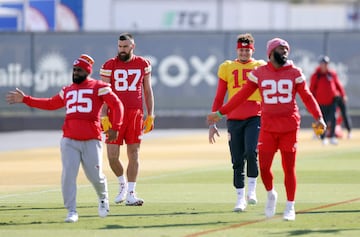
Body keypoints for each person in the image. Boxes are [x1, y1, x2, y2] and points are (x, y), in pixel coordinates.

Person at [207, 38, 326, 221]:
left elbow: (307, 97)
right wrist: (220, 114)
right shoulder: (259, 73)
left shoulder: (295, 72)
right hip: (268, 126)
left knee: (288, 167)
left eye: (286, 50)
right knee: (263, 167)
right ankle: (271, 194)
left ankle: (290, 206)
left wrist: (318, 117)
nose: (284, 53)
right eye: (280, 50)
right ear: (270, 52)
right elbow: (240, 96)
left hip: (289, 125)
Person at [6, 54, 124, 223]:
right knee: (68, 174)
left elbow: (117, 104)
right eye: (74, 70)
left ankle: (103, 199)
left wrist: (116, 127)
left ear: (87, 71)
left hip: (92, 138)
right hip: (69, 139)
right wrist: (26, 99)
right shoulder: (67, 90)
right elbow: (50, 103)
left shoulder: (99, 87)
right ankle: (71, 210)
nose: (75, 72)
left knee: (95, 175)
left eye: (79, 70)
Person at [209, 33, 265, 212]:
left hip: (254, 115)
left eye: (247, 50)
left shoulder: (260, 66)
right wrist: (213, 122)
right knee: (237, 159)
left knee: (251, 151)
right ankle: (240, 199)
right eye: (241, 50)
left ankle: (252, 190)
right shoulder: (227, 67)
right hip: (234, 118)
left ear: (252, 50)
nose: (244, 53)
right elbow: (219, 96)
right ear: (237, 50)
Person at [100, 33, 155, 206]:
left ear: (133, 46)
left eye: (125, 46)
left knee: (134, 153)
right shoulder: (109, 65)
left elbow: (147, 90)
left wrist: (150, 114)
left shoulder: (142, 64)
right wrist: (103, 116)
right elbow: (103, 92)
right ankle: (122, 184)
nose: (122, 50)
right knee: (112, 155)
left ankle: (131, 192)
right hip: (115, 114)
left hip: (135, 113)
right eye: (120, 46)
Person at [309, 55, 351, 144]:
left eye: (326, 64)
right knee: (320, 119)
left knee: (333, 118)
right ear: (320, 64)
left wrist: (343, 95)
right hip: (320, 102)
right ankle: (321, 137)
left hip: (332, 101)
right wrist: (311, 101)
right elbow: (311, 89)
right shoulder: (316, 75)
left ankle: (332, 137)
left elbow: (338, 85)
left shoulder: (332, 74)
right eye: (322, 63)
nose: (324, 65)